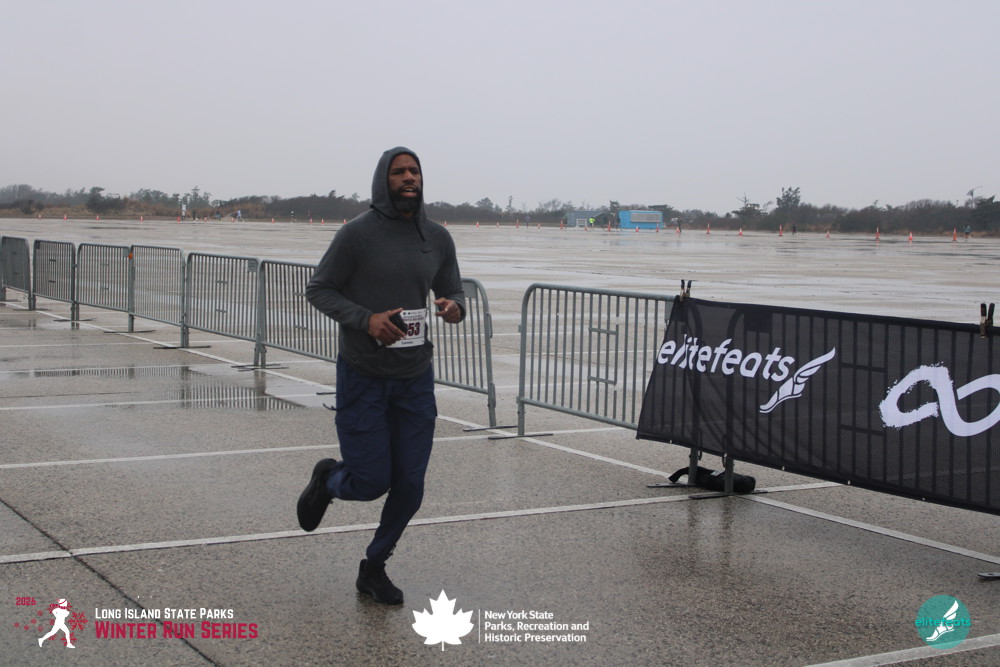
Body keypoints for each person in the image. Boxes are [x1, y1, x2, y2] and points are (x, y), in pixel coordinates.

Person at [298, 147, 466, 605]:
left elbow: (452, 287)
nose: (409, 178)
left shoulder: (436, 237)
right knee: (371, 481)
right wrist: (366, 320)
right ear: (383, 180)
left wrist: (455, 306)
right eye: (399, 172)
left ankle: (374, 567)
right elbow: (319, 289)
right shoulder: (357, 234)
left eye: (414, 171)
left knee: (410, 485)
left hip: (415, 378)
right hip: (364, 374)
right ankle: (329, 480)